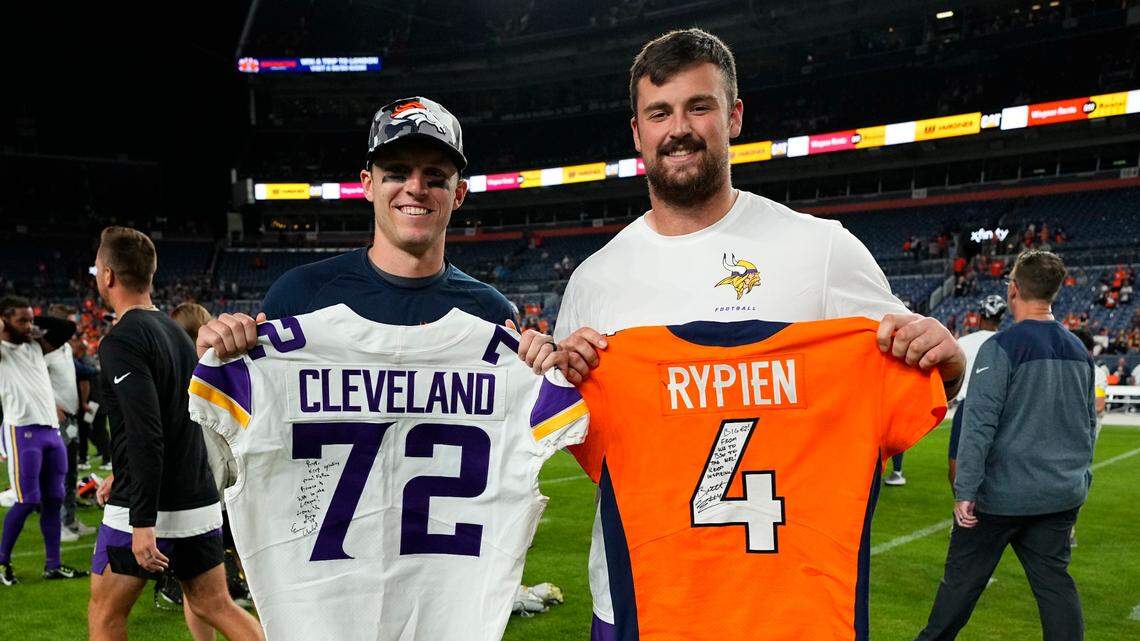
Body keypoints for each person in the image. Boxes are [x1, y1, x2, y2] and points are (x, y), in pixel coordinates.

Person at [515, 28, 965, 640]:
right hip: (638, 605)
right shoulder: (595, 279)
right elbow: (574, 432)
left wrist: (946, 360)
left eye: (699, 106)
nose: (678, 127)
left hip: (787, 610)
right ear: (638, 133)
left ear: (734, 115)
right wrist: (558, 372)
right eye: (659, 112)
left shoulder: (823, 250)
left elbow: (911, 378)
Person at [195, 96, 515, 362]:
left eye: (435, 175)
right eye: (397, 172)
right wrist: (216, 362)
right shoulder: (298, 296)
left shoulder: (492, 313)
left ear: (458, 194)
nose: (416, 187)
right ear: (368, 185)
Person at [86, 227, 263, 641]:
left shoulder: (122, 340)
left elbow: (145, 432)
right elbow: (178, 422)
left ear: (108, 276)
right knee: (215, 605)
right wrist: (121, 473)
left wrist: (142, 520)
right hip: (198, 500)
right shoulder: (176, 335)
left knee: (105, 615)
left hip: (148, 508)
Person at [914, 250, 1095, 641]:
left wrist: (965, 491)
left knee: (959, 590)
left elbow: (979, 425)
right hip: (1059, 495)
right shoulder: (1079, 351)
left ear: (1014, 289)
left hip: (1000, 497)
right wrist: (1079, 483)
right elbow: (1088, 425)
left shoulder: (1002, 347)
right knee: (1055, 587)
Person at [0, 296, 87, 584]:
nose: (28, 325)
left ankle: (53, 565)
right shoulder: (2, 350)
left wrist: (31, 324)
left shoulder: (36, 345)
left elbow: (66, 329)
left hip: (51, 431)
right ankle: (2, 563)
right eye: (21, 320)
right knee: (27, 500)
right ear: (4, 320)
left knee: (54, 499)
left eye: (31, 319)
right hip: (23, 432)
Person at [946, 294, 1007, 487]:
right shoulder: (1007, 342)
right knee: (996, 464)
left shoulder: (963, 342)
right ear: (1001, 318)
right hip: (1001, 408)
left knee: (957, 460)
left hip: (969, 407)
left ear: (979, 317)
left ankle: (962, 509)